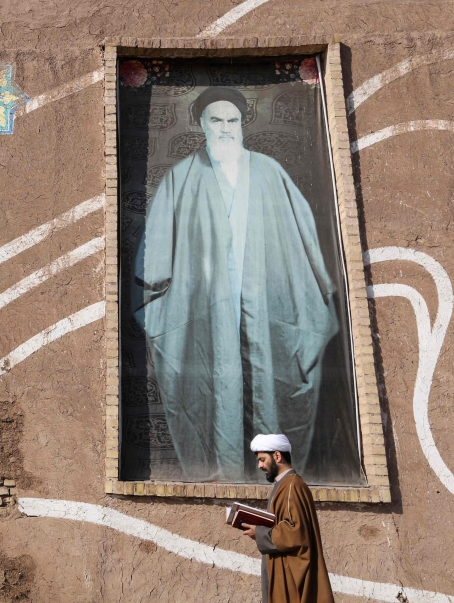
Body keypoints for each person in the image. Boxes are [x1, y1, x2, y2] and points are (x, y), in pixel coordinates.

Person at [131, 86, 339, 481]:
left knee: (270, 380)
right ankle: (224, 473)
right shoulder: (182, 177)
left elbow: (302, 241)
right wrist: (166, 299)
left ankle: (271, 477)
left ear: (242, 124)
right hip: (205, 313)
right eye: (216, 120)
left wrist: (316, 291)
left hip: (264, 308)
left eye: (233, 120)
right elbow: (156, 253)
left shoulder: (268, 171)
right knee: (215, 383)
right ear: (200, 124)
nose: (225, 128)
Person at [242, 434, 333, 603]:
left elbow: (295, 532)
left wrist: (259, 532)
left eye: (262, 459)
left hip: (290, 578)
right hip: (282, 570)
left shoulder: (292, 486)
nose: (259, 465)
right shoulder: (284, 485)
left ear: (277, 456)